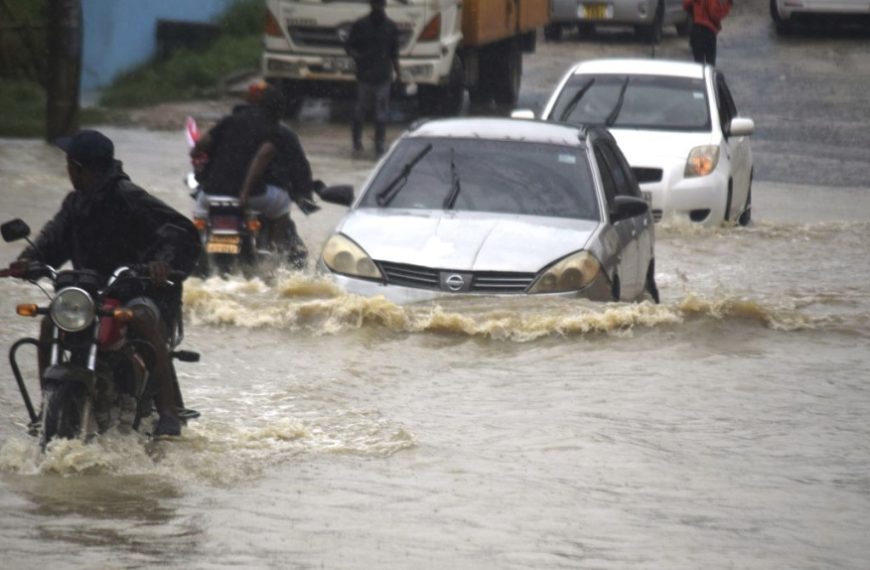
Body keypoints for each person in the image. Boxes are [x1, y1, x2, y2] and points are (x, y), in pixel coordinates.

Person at [16, 130, 202, 436]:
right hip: (87, 293)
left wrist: (162, 264)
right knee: (51, 319)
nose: (67, 170)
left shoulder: (129, 196)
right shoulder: (76, 203)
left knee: (141, 318)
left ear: (79, 167)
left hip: (137, 290)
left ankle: (168, 412)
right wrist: (28, 261)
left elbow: (180, 231)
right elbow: (53, 239)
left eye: (68, 164)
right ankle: (45, 406)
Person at [191, 84, 292, 248]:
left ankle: (197, 247)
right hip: (250, 197)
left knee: (199, 209)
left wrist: (197, 154)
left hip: (212, 192)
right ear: (280, 110)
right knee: (284, 203)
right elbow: (262, 157)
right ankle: (275, 254)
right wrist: (244, 192)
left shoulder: (230, 120)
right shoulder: (275, 130)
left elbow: (200, 146)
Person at [345, 0, 402, 156]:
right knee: (361, 110)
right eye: (376, 5)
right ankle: (357, 143)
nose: (378, 8)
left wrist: (399, 74)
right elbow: (349, 47)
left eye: (379, 5)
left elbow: (394, 53)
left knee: (380, 112)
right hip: (366, 75)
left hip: (382, 76)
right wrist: (359, 58)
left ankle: (379, 144)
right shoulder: (361, 25)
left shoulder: (390, 27)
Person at [683, 0, 732, 66]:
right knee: (710, 65)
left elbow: (686, 5)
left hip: (696, 30)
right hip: (708, 32)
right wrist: (727, 5)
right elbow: (715, 14)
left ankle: (700, 75)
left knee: (698, 64)